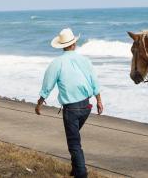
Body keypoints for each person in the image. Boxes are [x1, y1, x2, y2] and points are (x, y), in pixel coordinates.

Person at [36, 28, 103, 178]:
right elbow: (94, 81)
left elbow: (48, 84)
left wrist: (39, 103)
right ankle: (75, 170)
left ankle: (81, 174)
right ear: (74, 43)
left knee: (73, 142)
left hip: (71, 109)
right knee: (74, 137)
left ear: (61, 45)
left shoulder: (57, 63)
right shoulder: (85, 60)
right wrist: (99, 100)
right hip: (86, 106)